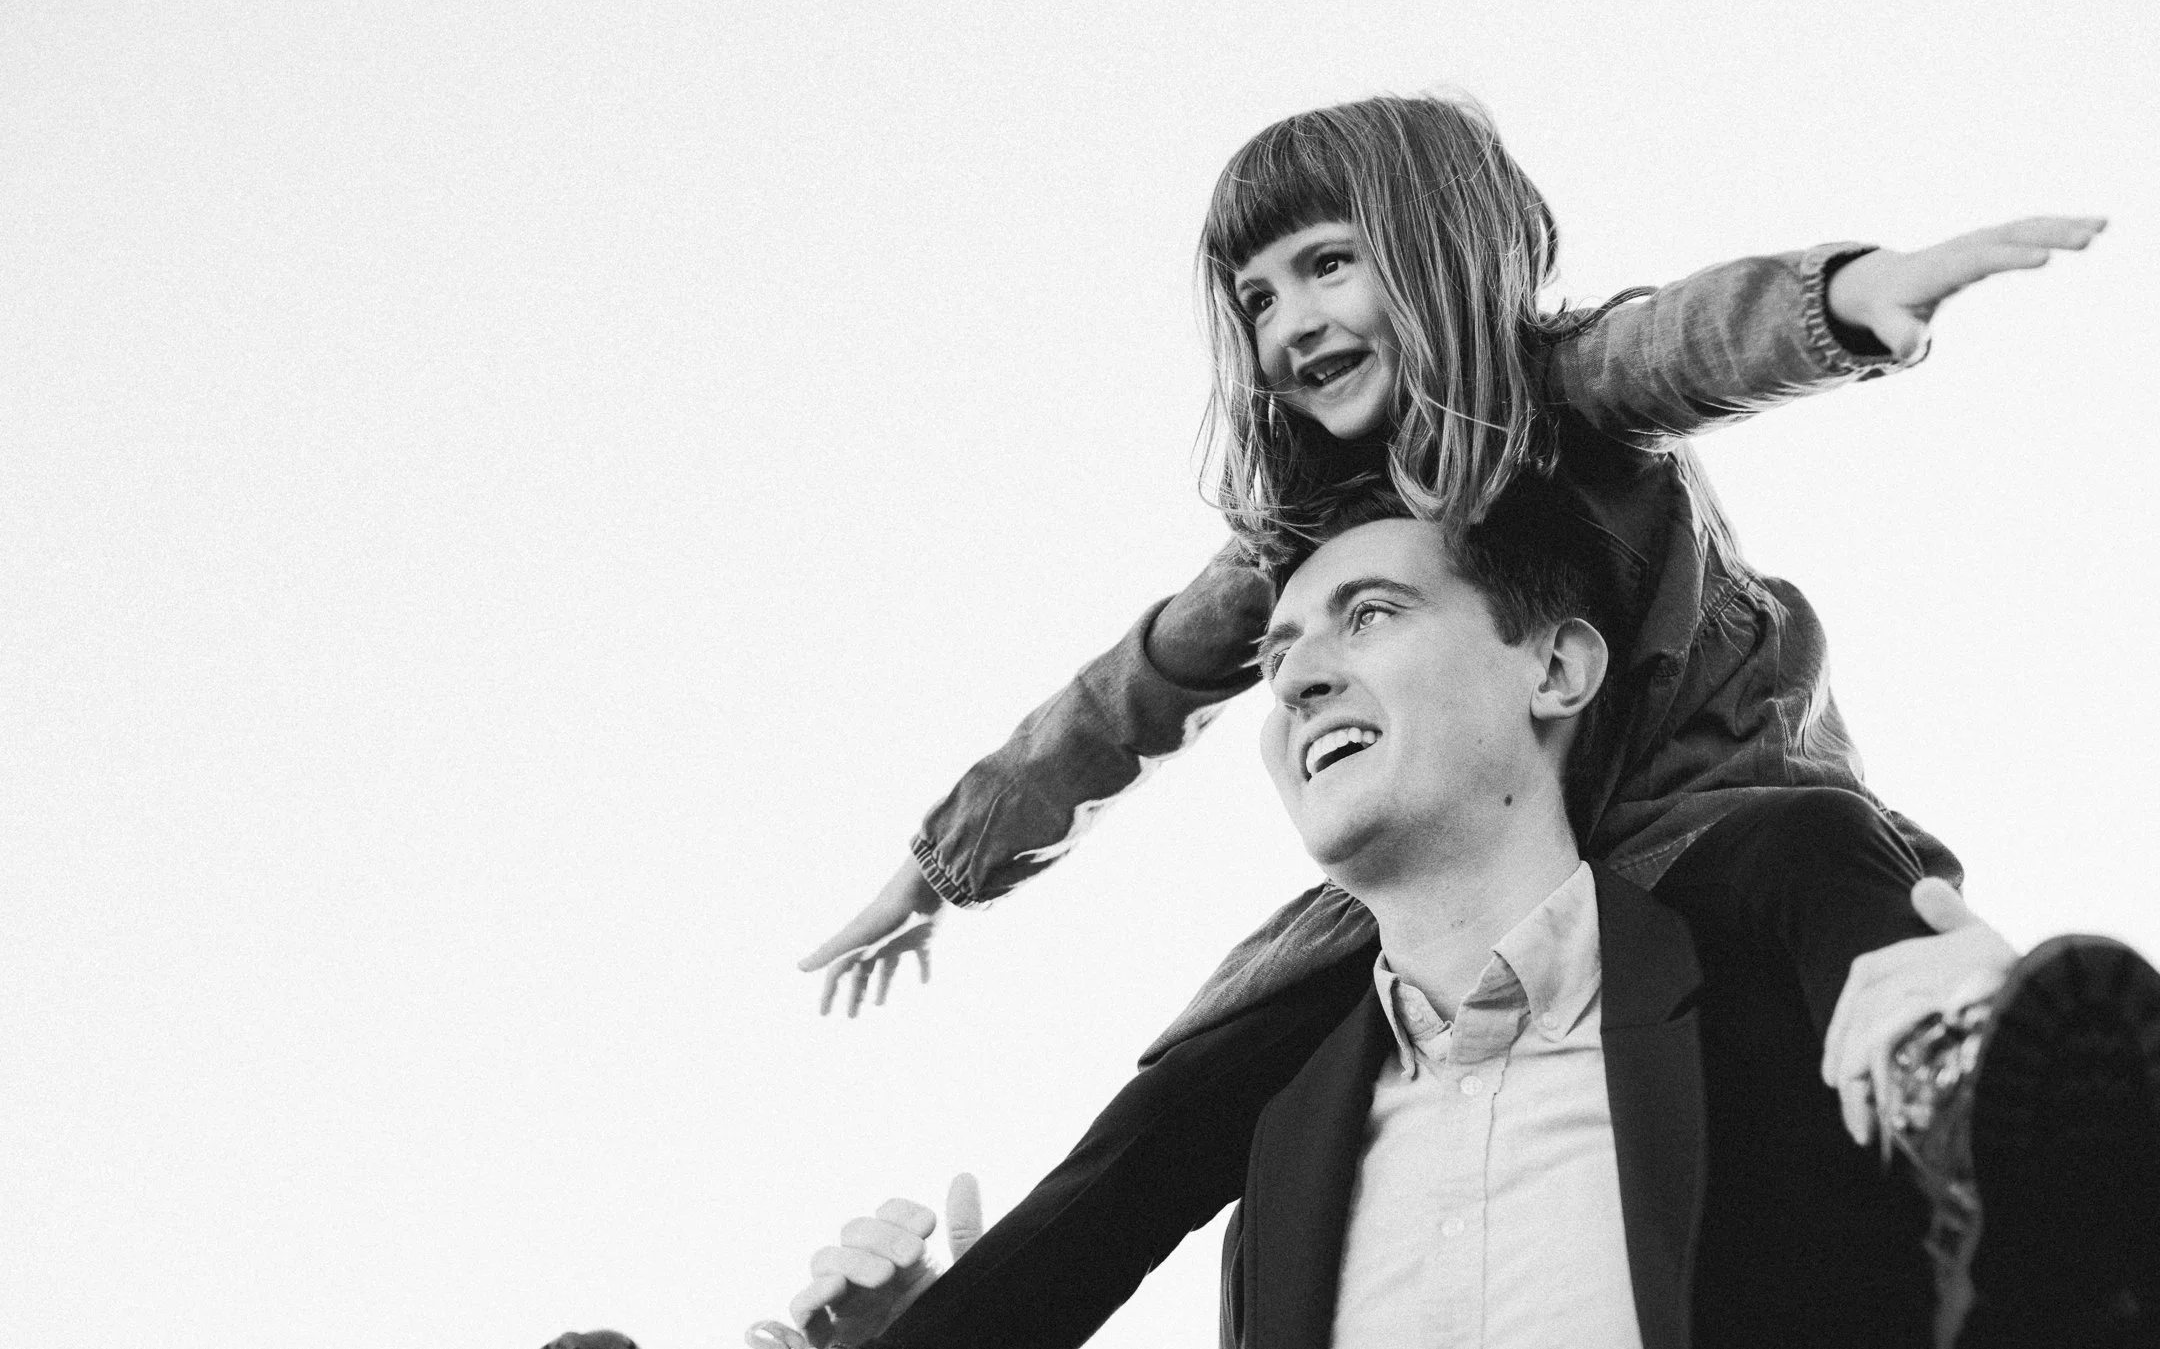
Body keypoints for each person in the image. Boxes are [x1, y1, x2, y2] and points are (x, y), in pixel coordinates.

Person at [798, 95, 2102, 1141]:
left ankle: (1969, 1076)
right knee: (1221, 1041)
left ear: (1433, 256)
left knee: (1824, 855)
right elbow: (1133, 690)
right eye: (1257, 298)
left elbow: (1685, 342)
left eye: (1325, 268)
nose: (1292, 323)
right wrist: (941, 868)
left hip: (1703, 811)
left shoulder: (1566, 387)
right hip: (1486, 872)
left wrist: (1850, 298)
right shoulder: (1306, 537)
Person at [751, 500, 2160, 1349]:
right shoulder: (1277, 1135)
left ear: (1557, 664)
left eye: (1368, 614)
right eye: (1278, 653)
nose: (1299, 678)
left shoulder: (1771, 959)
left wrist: (1990, 1101)